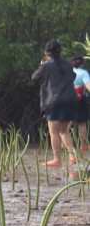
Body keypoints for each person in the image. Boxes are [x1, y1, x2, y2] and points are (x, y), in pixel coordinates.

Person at [32, 40, 80, 170]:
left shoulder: (46, 65)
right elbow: (73, 76)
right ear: (60, 51)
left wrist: (42, 65)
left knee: (53, 131)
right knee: (64, 131)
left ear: (47, 53)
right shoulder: (68, 64)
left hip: (54, 101)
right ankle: (72, 155)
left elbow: (34, 77)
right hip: (70, 100)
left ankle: (57, 160)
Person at [71, 55, 89, 153]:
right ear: (82, 63)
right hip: (81, 100)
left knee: (67, 123)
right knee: (82, 123)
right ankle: (83, 146)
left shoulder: (68, 72)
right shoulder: (83, 73)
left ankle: (66, 146)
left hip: (68, 99)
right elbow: (88, 86)